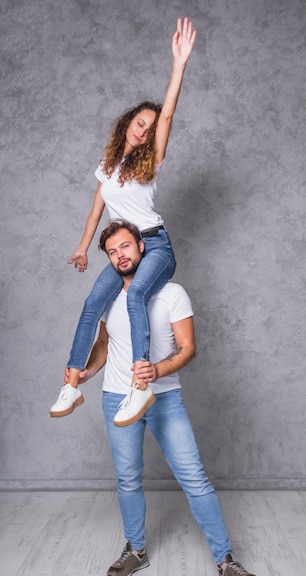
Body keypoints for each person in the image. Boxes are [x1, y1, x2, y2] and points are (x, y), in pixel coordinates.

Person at [74, 219, 261, 576]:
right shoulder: (110, 297)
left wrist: (157, 369)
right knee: (128, 479)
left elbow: (188, 348)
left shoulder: (172, 292)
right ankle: (136, 550)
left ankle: (226, 562)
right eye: (112, 252)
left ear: (142, 247)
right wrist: (83, 374)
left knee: (194, 478)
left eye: (125, 247)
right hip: (117, 397)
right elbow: (104, 347)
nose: (119, 256)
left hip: (163, 397)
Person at [50, 17, 197, 426]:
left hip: (156, 246)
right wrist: (82, 246)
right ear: (129, 123)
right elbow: (98, 209)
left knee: (134, 299)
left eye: (150, 129)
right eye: (141, 124)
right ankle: (73, 382)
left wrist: (179, 65)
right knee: (93, 303)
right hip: (126, 251)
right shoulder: (108, 166)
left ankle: (140, 385)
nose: (146, 131)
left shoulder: (151, 162)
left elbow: (167, 117)